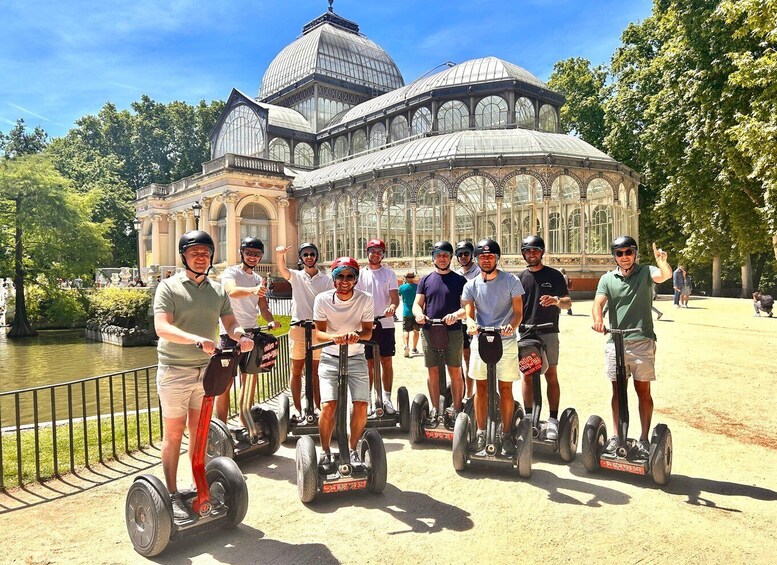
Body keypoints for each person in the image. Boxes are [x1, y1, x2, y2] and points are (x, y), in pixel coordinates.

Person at [153, 230, 255, 520]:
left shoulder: (217, 290)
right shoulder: (169, 287)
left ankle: (199, 488)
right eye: (195, 252)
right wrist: (195, 339)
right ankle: (172, 494)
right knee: (173, 435)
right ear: (183, 255)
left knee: (199, 436)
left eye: (206, 253)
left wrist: (240, 336)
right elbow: (162, 327)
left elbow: (231, 322)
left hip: (206, 373)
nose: (201, 257)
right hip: (175, 371)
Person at [591, 236, 672, 460]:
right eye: (619, 253)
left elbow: (664, 276)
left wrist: (663, 262)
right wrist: (599, 320)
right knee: (617, 391)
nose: (624, 257)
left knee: (642, 391)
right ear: (614, 256)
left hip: (642, 340)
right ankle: (618, 437)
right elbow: (598, 303)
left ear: (635, 253)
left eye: (628, 252)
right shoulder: (607, 278)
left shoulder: (646, 272)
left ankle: (645, 439)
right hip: (615, 341)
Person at [461, 238, 524, 455]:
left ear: (497, 258)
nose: (486, 260)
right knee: (481, 388)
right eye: (482, 257)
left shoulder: (511, 281)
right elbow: (469, 310)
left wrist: (511, 326)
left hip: (505, 340)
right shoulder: (471, 285)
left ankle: (506, 434)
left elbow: (518, 312)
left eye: (490, 256)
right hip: (481, 340)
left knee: (505, 388)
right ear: (477, 259)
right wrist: (470, 322)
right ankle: (480, 432)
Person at [313, 257, 374, 467]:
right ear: (334, 278)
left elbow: (368, 331)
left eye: (349, 276)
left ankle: (352, 448)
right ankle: (325, 451)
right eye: (340, 276)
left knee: (361, 404)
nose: (345, 281)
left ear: (356, 279)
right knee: (328, 406)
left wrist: (355, 335)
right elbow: (318, 333)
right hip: (330, 356)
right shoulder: (322, 299)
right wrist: (334, 338)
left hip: (356, 356)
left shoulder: (365, 299)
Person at [215, 237, 278, 424]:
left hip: (252, 334)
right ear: (241, 253)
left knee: (249, 382)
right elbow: (231, 291)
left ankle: (245, 423)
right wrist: (253, 290)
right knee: (225, 385)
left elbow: (263, 307)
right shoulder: (230, 272)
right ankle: (222, 427)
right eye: (248, 253)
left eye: (256, 254)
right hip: (230, 334)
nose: (252, 257)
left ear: (261, 256)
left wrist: (272, 320)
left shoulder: (258, 279)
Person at [517, 236, 572, 440]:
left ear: (542, 252)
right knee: (528, 376)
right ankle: (529, 417)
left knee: (551, 375)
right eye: (528, 251)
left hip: (549, 331)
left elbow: (568, 302)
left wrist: (556, 300)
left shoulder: (555, 275)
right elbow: (513, 308)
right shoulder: (520, 278)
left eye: (536, 251)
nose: (532, 254)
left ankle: (553, 419)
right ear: (524, 253)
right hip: (527, 332)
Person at [276, 242, 332, 419]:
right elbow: (282, 270)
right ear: (301, 258)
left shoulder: (326, 279)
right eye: (305, 254)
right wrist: (280, 255)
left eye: (312, 254)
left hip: (316, 329)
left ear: (316, 256)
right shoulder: (296, 276)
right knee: (297, 370)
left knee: (315, 372)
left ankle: (317, 407)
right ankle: (298, 409)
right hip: (299, 327)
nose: (309, 257)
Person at [412, 241, 467, 419]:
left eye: (445, 255)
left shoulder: (460, 280)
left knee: (455, 370)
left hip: (453, 331)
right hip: (429, 330)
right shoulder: (426, 280)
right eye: (438, 255)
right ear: (433, 257)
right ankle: (435, 408)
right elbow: (417, 304)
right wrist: (419, 315)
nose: (442, 258)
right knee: (433, 370)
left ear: (451, 258)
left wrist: (455, 315)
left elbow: (466, 308)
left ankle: (457, 409)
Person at [356, 238, 400, 413]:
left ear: (383, 254)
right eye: (373, 251)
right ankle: (367, 399)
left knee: (386, 361)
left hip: (385, 323)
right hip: (366, 323)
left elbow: (394, 297)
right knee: (368, 363)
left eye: (379, 252)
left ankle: (386, 398)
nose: (376, 254)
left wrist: (392, 306)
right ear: (367, 252)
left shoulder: (389, 274)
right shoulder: (359, 274)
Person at [455, 240, 480, 398]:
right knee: (462, 357)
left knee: (473, 359)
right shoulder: (457, 274)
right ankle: (466, 393)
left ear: (472, 255)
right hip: (461, 322)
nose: (463, 256)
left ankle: (470, 394)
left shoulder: (479, 272)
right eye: (460, 254)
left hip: (476, 322)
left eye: (466, 253)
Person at [398, 272, 420, 357]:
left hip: (406, 312)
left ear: (406, 278)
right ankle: (414, 348)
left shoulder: (402, 287)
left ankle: (406, 346)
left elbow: (399, 295)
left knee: (405, 330)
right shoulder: (418, 287)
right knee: (416, 330)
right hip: (416, 311)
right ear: (413, 277)